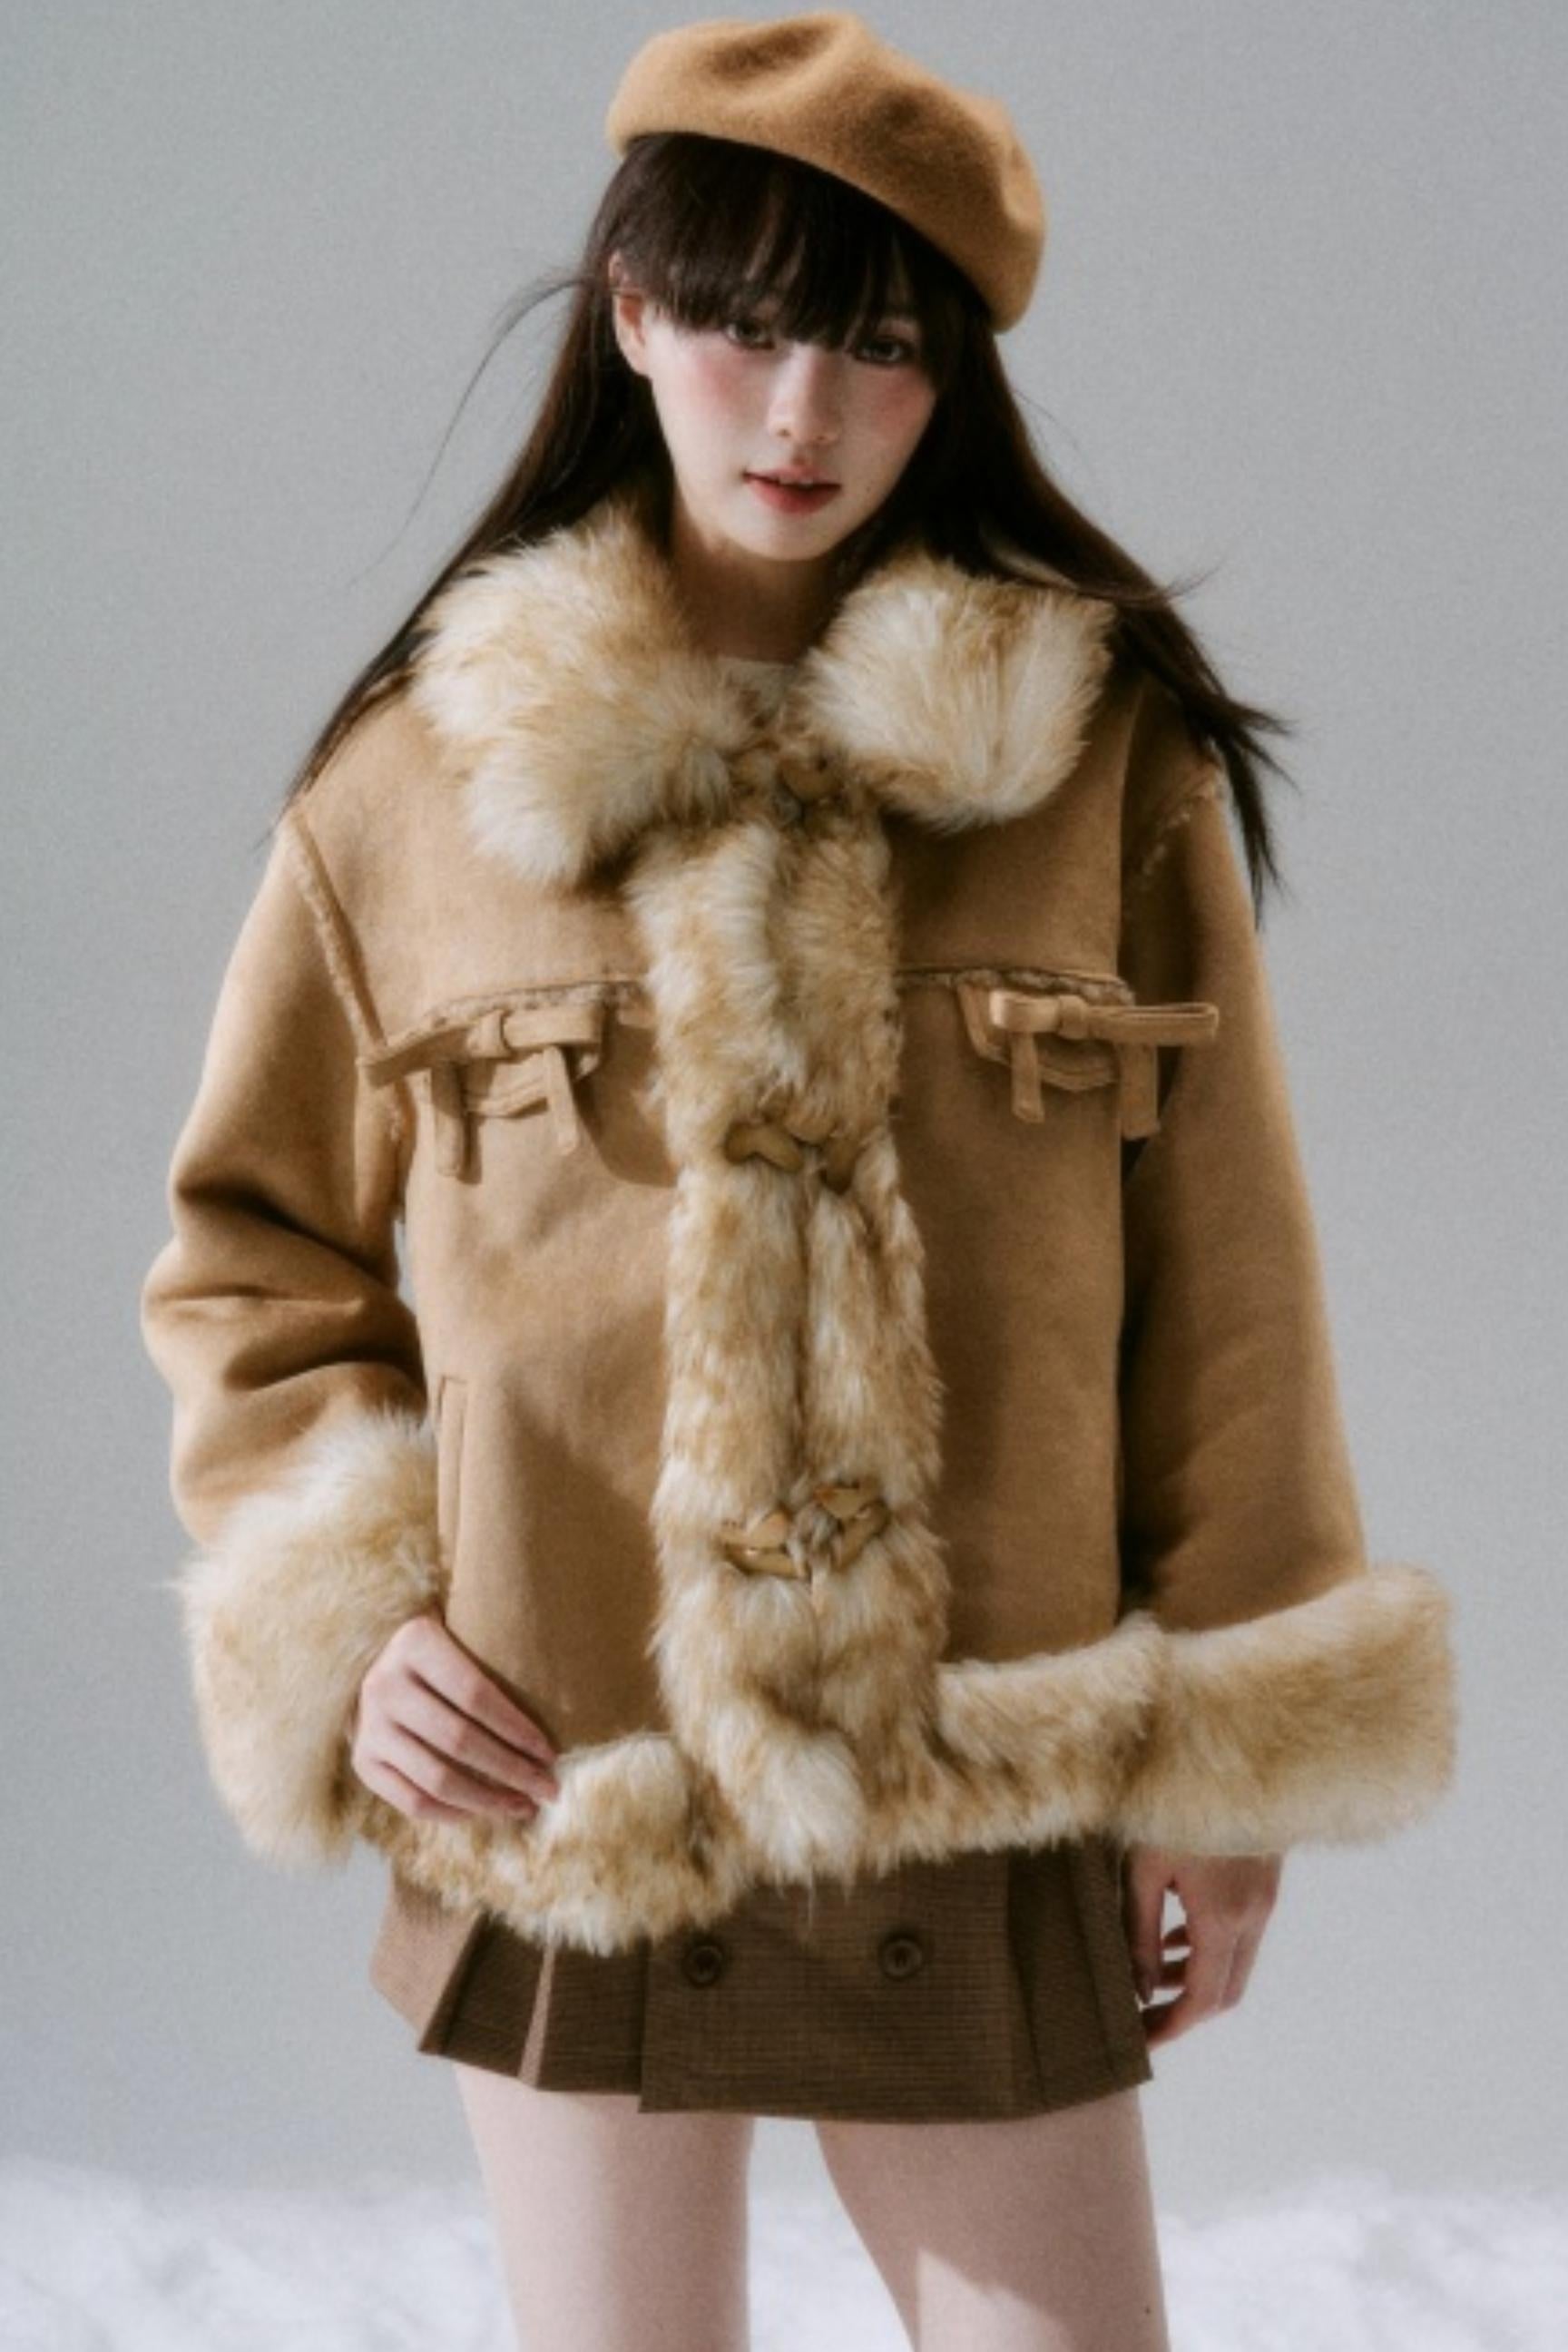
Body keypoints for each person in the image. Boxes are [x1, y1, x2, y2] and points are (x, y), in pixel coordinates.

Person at [140, 12, 1457, 2347]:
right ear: (632, 309)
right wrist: (353, 1622)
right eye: (747, 325)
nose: (804, 412)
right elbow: (252, 1261)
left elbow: (1232, 1286)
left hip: (980, 1762)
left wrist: (1236, 1751)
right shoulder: (413, 792)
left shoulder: (1099, 769)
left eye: (881, 347)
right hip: (567, 1772)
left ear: (952, 382)